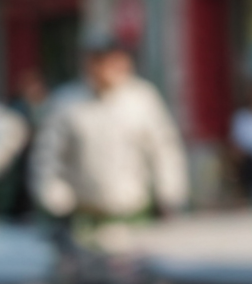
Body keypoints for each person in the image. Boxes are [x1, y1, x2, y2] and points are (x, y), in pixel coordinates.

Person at [29, 41, 188, 224]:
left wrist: (169, 192)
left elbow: (164, 148)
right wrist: (52, 196)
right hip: (82, 213)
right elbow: (47, 155)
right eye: (100, 63)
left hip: (134, 210)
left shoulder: (142, 99)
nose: (108, 70)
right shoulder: (67, 103)